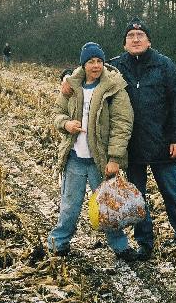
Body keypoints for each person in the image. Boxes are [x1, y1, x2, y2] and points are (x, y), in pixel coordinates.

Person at [61, 18, 176, 260]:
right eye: (130, 36)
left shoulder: (165, 66)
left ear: (148, 40)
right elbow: (88, 69)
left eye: (140, 35)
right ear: (124, 43)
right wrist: (66, 77)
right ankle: (145, 242)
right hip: (132, 148)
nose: (135, 39)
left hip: (163, 144)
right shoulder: (114, 68)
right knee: (136, 199)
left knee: (172, 194)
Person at [48, 42, 138, 261]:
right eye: (91, 61)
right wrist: (66, 124)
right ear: (83, 64)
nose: (96, 65)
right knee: (70, 205)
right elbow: (56, 113)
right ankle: (58, 243)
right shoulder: (72, 86)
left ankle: (120, 246)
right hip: (75, 160)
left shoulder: (114, 87)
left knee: (109, 205)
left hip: (101, 160)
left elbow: (123, 123)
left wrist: (115, 158)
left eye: (99, 61)